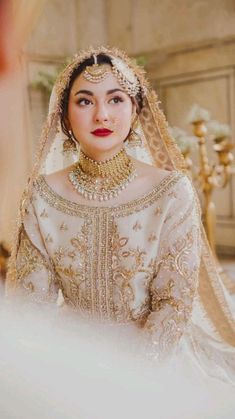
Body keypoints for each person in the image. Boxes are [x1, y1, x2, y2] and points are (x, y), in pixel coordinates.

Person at [6, 47, 235, 383]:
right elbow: (31, 305)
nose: (102, 115)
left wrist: (129, 381)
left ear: (135, 109)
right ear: (65, 115)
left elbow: (173, 304)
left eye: (116, 99)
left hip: (157, 360)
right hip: (71, 359)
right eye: (85, 101)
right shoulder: (44, 195)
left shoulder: (171, 191)